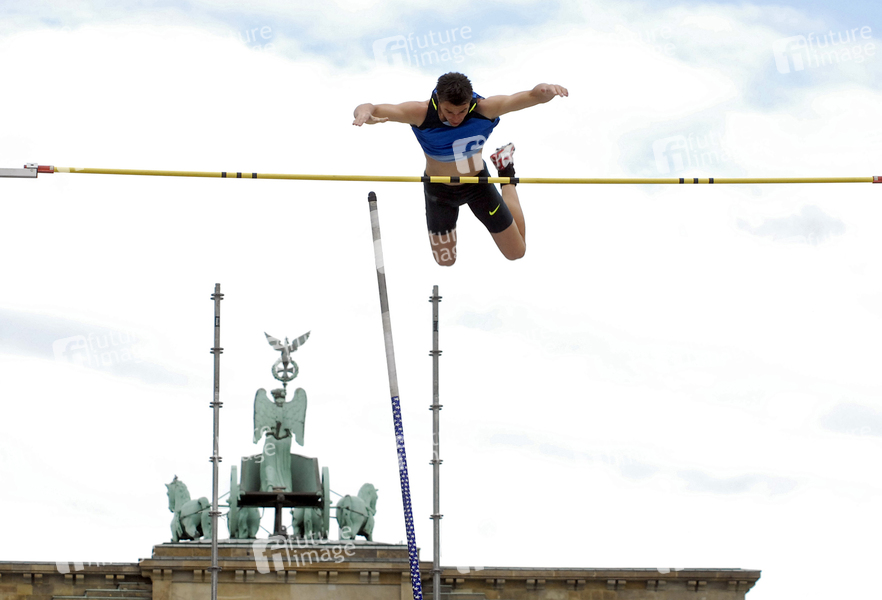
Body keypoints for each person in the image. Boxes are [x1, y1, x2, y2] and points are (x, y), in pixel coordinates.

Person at [353, 72, 567, 266]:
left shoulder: (485, 109)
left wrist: (545, 91)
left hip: (477, 185)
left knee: (516, 252)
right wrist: (364, 113)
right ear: (438, 101)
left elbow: (530, 96)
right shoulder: (420, 112)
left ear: (470, 102)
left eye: (462, 111)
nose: (456, 118)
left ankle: (505, 172)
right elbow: (370, 107)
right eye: (449, 111)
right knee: (445, 260)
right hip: (439, 192)